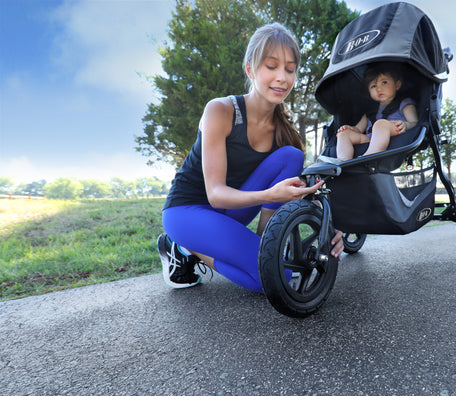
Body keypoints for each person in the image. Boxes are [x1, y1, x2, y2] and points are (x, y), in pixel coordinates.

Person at [157, 23, 344, 292]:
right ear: (250, 68)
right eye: (271, 66)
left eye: (290, 69)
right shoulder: (221, 111)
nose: (282, 77)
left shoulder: (284, 134)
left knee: (292, 156)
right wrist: (270, 194)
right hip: (187, 211)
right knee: (278, 278)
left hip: (230, 211)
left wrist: (332, 228)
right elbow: (216, 194)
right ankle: (185, 248)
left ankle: (264, 244)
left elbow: (303, 190)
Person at [335, 63, 419, 161]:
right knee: (343, 134)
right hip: (369, 140)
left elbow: (415, 123)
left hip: (394, 132)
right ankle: (342, 161)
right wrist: (350, 128)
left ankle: (369, 158)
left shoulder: (404, 103)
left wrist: (406, 125)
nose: (379, 88)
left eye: (384, 82)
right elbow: (358, 129)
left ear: (397, 85)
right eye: (374, 86)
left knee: (380, 124)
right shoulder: (370, 111)